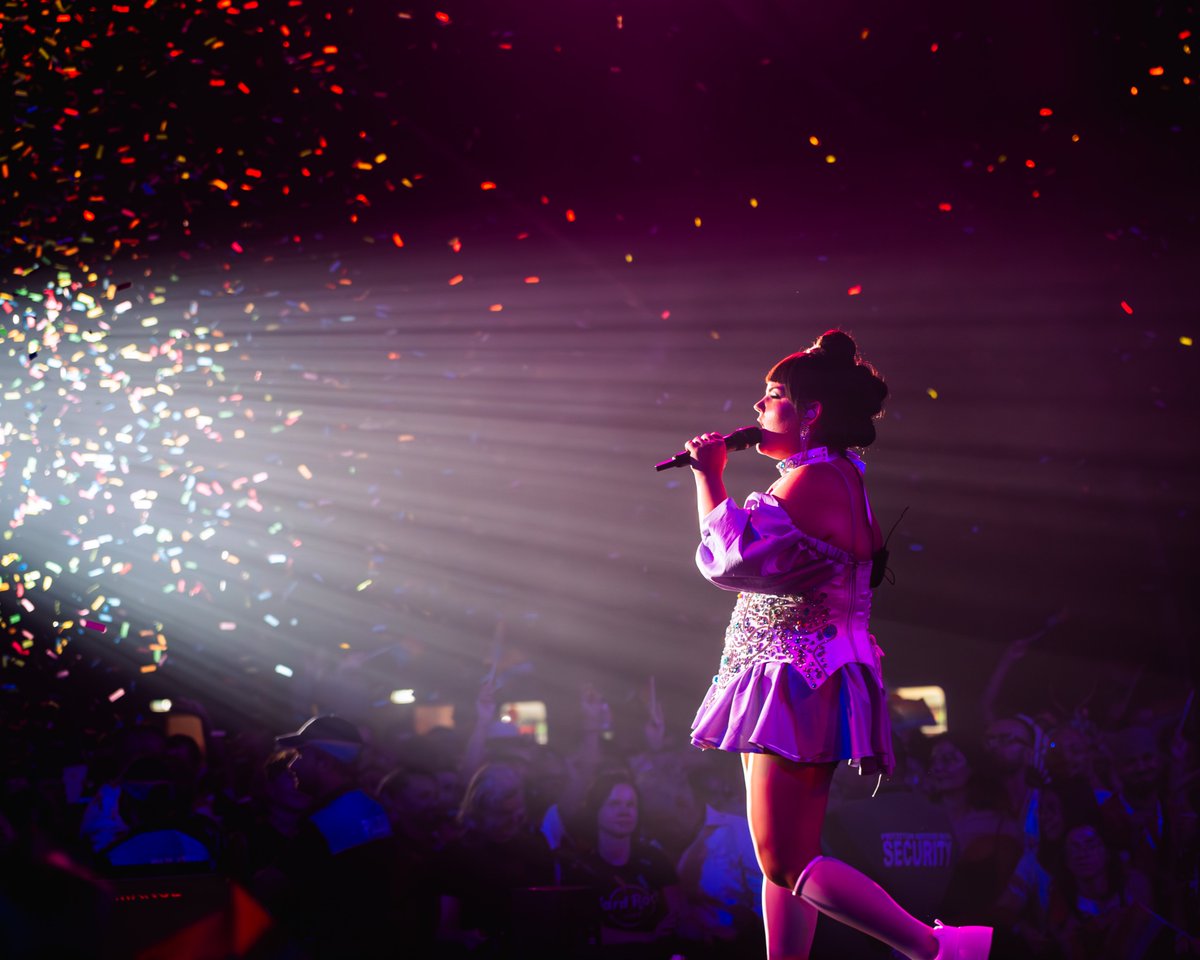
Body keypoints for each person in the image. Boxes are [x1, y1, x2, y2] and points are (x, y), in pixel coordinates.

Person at [679, 328, 992, 959]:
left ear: (811, 412)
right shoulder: (836, 475)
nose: (758, 412)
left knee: (786, 859)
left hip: (796, 677)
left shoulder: (811, 483)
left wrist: (710, 478)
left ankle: (937, 948)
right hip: (794, 676)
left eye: (771, 398)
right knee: (784, 862)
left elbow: (730, 561)